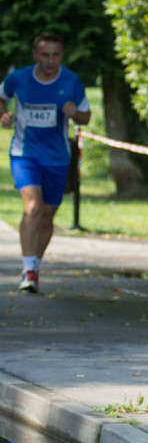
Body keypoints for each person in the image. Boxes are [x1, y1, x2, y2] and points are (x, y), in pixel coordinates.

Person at [0, 32, 91, 294]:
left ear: (61, 55)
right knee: (33, 208)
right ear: (35, 55)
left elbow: (86, 117)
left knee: (47, 215)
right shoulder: (19, 78)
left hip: (58, 158)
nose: (51, 61)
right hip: (24, 154)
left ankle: (34, 265)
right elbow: (1, 96)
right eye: (45, 55)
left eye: (56, 55)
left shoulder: (71, 81)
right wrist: (4, 115)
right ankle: (28, 271)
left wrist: (76, 114)